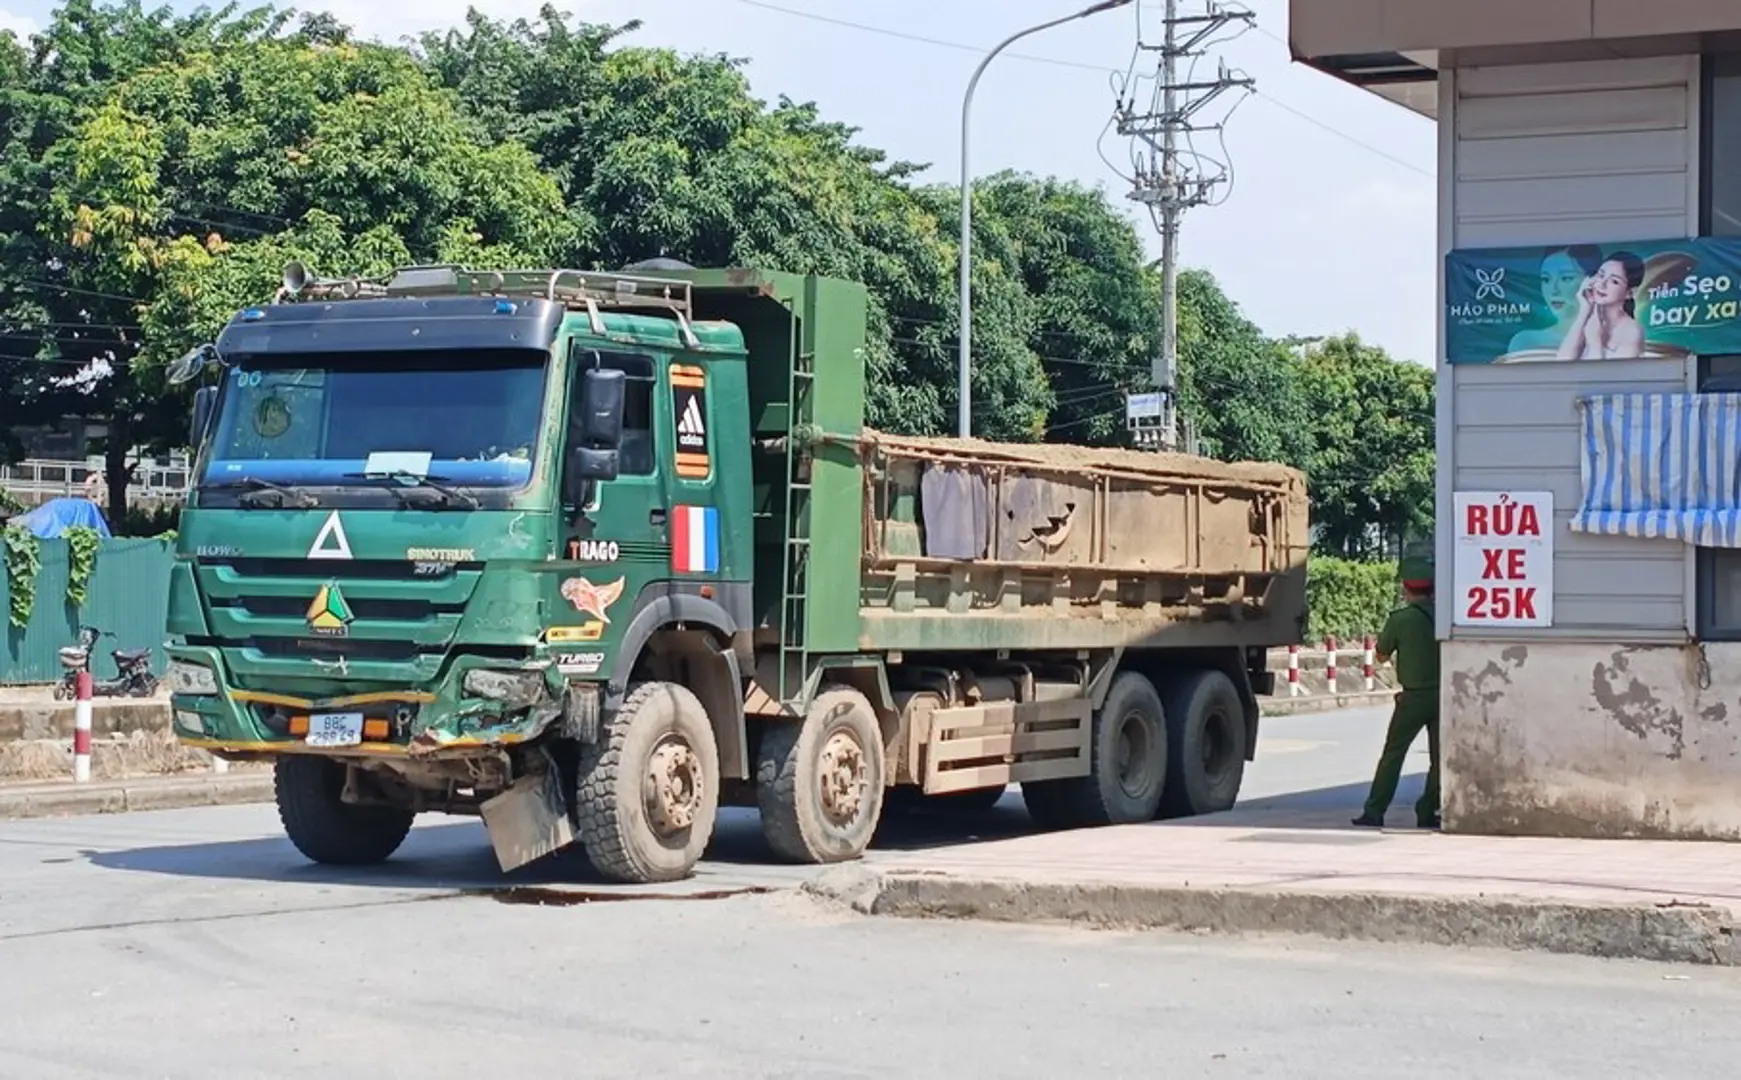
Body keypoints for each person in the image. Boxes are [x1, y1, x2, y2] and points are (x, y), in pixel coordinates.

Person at [1352, 556, 1441, 830]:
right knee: (1440, 760)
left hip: (1412, 698)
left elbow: (1380, 655)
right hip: (1443, 697)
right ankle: (1427, 810)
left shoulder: (1400, 620)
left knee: (1393, 754)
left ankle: (1375, 810)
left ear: (1406, 589)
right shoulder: (1444, 617)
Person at [1556, 251, 1646, 360]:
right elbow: (1563, 361)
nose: (1602, 284)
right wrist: (1584, 311)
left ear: (1630, 293)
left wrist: (1594, 343)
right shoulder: (1590, 314)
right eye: (1601, 275)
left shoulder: (1631, 331)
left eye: (1614, 281)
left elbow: (1610, 375)